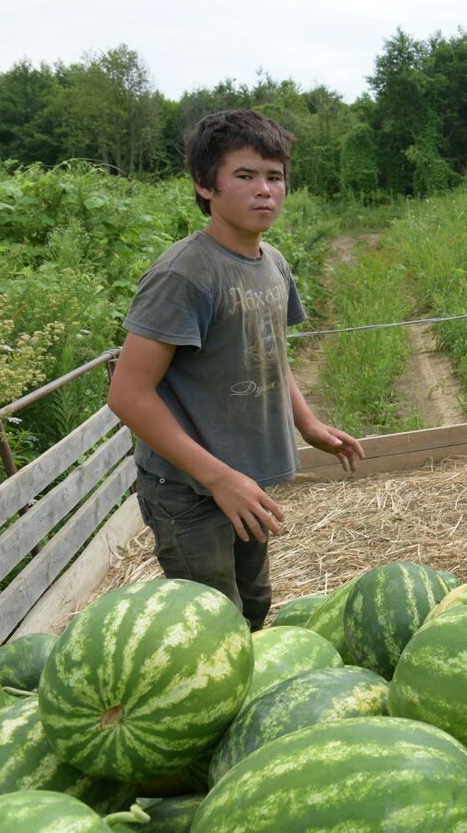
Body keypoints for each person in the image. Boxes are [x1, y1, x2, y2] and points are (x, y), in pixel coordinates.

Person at [107, 110, 364, 630]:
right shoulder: (186, 273)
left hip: (244, 479)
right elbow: (128, 395)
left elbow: (270, 351)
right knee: (211, 627)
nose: (264, 190)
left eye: (274, 177)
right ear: (205, 185)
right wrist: (217, 478)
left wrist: (308, 424)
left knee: (253, 607)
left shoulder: (273, 262)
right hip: (189, 488)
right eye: (244, 176)